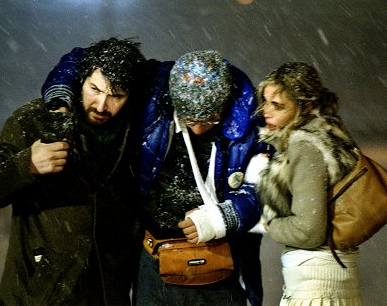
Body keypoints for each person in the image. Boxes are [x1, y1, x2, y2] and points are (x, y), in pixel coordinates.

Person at [41, 49, 268, 305]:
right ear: (173, 101)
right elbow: (84, 60)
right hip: (152, 257)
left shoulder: (251, 121)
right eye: (190, 119)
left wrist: (223, 217)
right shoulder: (155, 88)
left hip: (220, 264)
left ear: (225, 104)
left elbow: (263, 190)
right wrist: (60, 101)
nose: (198, 128)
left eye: (210, 120)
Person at [0, 38, 146, 305]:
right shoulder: (34, 119)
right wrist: (27, 165)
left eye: (116, 96)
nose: (101, 105)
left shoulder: (137, 131)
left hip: (107, 291)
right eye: (95, 89)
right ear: (81, 80)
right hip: (40, 291)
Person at [255, 62, 362, 305]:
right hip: (331, 277)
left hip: (316, 286)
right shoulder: (330, 135)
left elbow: (308, 231)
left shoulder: (305, 147)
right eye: (265, 101)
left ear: (307, 106)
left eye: (277, 105)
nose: (265, 112)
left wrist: (271, 224)